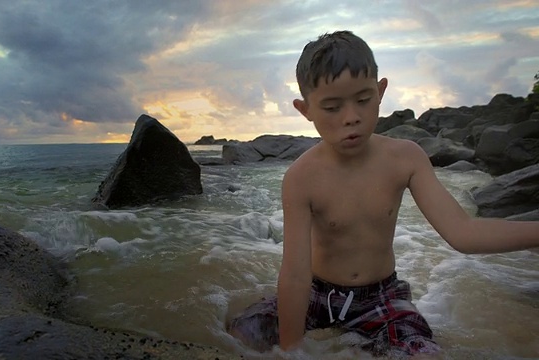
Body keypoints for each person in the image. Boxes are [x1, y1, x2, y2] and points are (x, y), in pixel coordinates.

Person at [226, 30, 539, 358]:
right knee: (241, 336)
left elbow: (464, 233)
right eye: (332, 107)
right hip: (316, 294)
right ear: (306, 110)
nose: (351, 117)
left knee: (423, 353)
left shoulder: (406, 158)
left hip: (380, 298)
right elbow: (295, 274)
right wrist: (291, 351)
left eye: (363, 100)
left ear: (380, 91)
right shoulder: (301, 177)